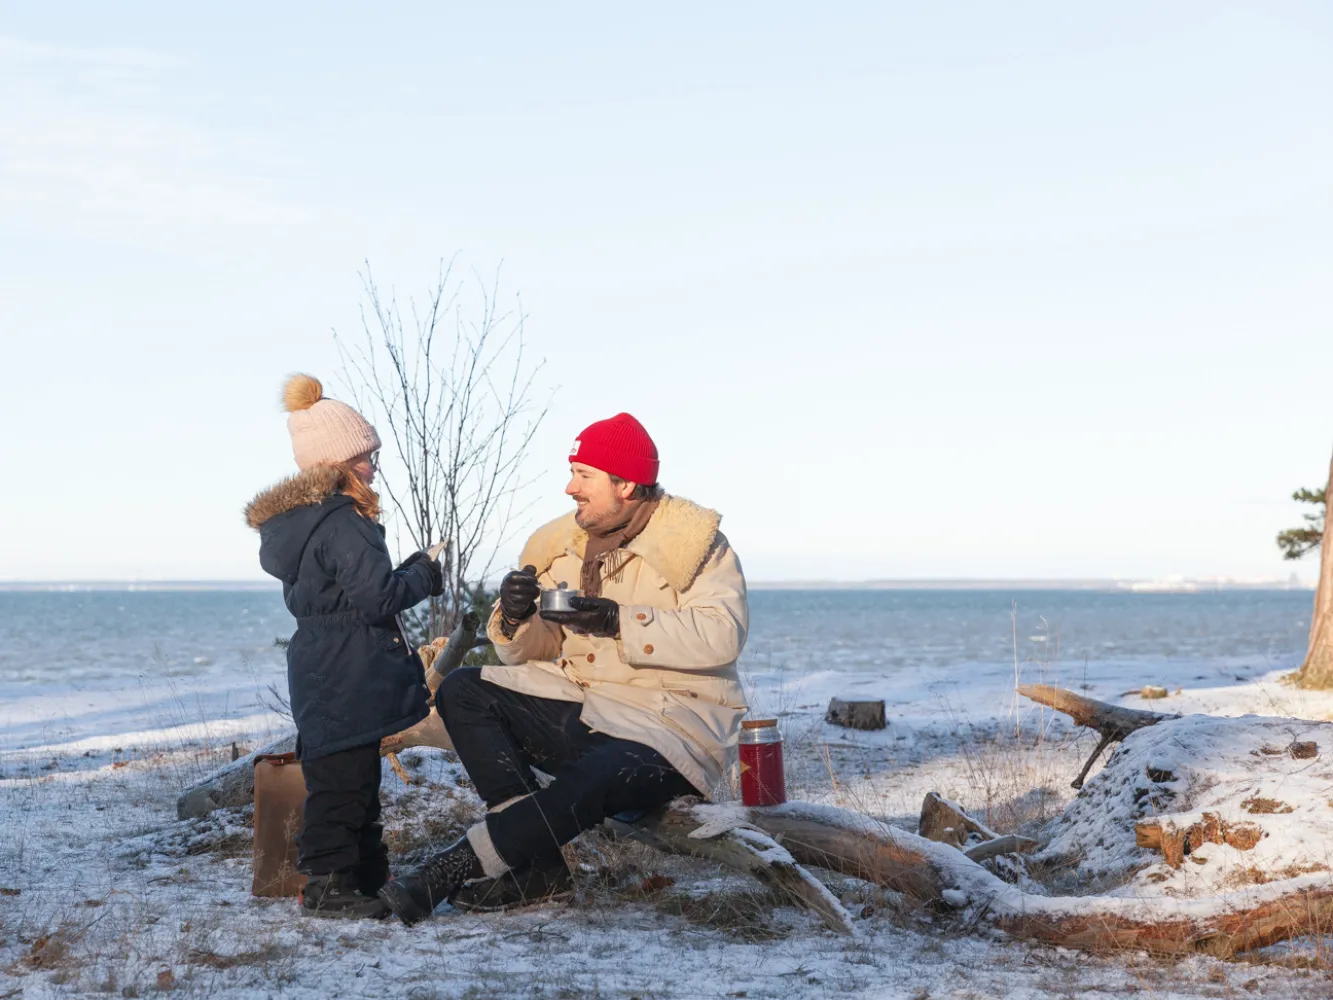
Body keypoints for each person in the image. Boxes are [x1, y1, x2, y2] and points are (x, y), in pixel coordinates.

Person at [380, 412, 748, 924]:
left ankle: (449, 868)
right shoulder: (563, 545)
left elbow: (723, 634)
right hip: (588, 702)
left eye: (583, 475)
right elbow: (530, 652)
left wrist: (619, 621)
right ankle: (540, 869)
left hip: (672, 727)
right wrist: (515, 618)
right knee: (463, 690)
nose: (570, 487)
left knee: (591, 778)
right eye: (572, 473)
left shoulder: (695, 544)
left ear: (625, 484)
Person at [245, 374, 443, 919]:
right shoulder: (343, 521)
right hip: (351, 666)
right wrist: (424, 574)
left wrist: (407, 570)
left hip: (321, 662)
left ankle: (365, 875)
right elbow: (379, 599)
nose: (372, 468)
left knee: (350, 774)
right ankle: (329, 887)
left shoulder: (301, 525)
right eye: (364, 458)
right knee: (343, 783)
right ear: (336, 463)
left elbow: (352, 594)